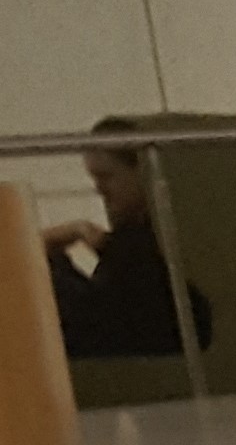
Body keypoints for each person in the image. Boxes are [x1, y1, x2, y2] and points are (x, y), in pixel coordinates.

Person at [43, 117, 209, 362]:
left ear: (141, 172)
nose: (99, 189)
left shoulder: (147, 244)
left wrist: (53, 255)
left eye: (106, 177)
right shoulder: (136, 240)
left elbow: (96, 320)